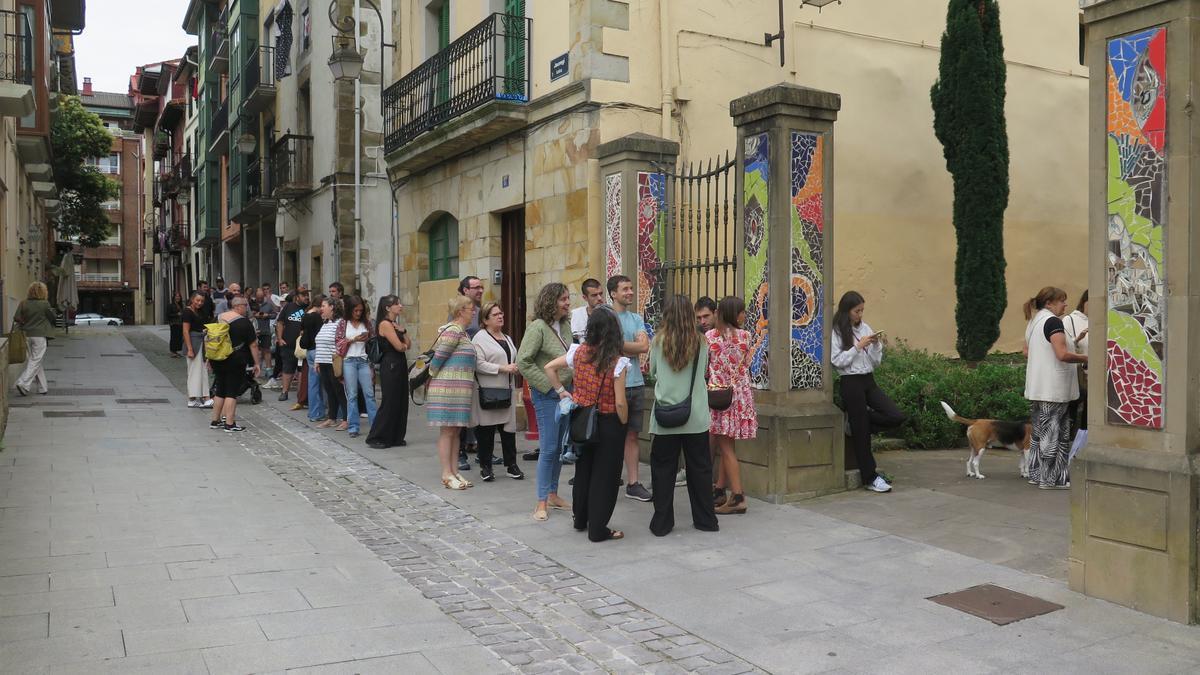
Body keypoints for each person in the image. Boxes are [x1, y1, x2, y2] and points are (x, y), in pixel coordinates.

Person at [545, 307, 630, 542]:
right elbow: (620, 402)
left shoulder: (578, 352)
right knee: (606, 476)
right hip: (608, 421)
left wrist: (562, 391)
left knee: (584, 471)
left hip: (582, 419)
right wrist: (624, 422)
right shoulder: (617, 362)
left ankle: (580, 519)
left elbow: (549, 367)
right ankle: (598, 528)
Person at [648, 295, 719, 536]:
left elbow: (653, 373)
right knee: (700, 469)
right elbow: (705, 371)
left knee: (662, 471)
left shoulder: (658, 342)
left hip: (665, 415)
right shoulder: (701, 341)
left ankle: (662, 523)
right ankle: (706, 520)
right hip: (695, 415)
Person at [831, 291, 907, 494]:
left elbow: (875, 362)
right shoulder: (837, 331)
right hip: (850, 381)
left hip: (868, 380)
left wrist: (876, 346)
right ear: (847, 311)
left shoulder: (865, 328)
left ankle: (856, 423)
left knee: (896, 416)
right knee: (862, 435)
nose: (860, 314)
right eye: (857, 311)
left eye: (862, 310)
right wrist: (857, 347)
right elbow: (836, 361)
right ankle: (870, 478)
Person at [517, 283, 574, 520]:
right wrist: (551, 386)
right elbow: (523, 361)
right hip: (548, 395)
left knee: (560, 448)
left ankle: (552, 494)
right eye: (563, 299)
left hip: (566, 395)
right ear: (551, 302)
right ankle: (541, 502)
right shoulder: (537, 328)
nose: (567, 303)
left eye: (568, 298)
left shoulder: (566, 325)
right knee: (549, 448)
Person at [1023, 287, 1087, 490]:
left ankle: (1036, 475)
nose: (1065, 304)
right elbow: (1061, 354)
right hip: (1054, 389)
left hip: (1038, 387)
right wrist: (1087, 357)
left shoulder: (1034, 321)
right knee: (1055, 434)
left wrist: (1072, 343)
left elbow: (1027, 352)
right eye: (1062, 300)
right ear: (1049, 303)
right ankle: (1050, 479)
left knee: (1039, 433)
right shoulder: (1053, 322)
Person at [707, 296, 756, 513]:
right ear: (733, 314)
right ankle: (720, 489)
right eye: (741, 311)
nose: (744, 315)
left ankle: (737, 496)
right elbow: (747, 364)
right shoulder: (746, 336)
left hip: (720, 396)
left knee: (725, 446)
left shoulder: (710, 337)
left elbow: (707, 366)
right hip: (740, 396)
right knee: (729, 445)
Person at [607, 275, 652, 502]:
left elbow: (644, 346)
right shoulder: (607, 318)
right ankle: (609, 478)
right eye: (625, 289)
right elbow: (610, 347)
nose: (630, 292)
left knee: (633, 435)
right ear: (613, 293)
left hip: (636, 384)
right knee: (612, 435)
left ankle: (633, 483)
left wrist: (624, 347)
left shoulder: (636, 318)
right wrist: (630, 346)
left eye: (631, 288)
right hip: (615, 385)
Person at [428, 295, 478, 490]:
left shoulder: (463, 333)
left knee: (456, 431)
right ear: (460, 311)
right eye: (471, 309)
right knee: (448, 431)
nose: (474, 312)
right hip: (447, 389)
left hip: (459, 390)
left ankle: (454, 471)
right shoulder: (453, 331)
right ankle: (446, 474)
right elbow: (438, 359)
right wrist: (433, 377)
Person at [471, 302, 523, 481]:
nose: (500, 316)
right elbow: (477, 364)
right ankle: (486, 467)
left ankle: (512, 465)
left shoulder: (506, 337)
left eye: (501, 313)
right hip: (488, 390)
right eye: (495, 315)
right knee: (486, 431)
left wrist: (515, 367)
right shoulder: (479, 339)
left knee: (508, 430)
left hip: (506, 389)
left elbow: (512, 358)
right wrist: (503, 368)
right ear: (485, 320)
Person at [208, 296, 261, 432]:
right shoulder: (244, 322)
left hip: (217, 358)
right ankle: (229, 423)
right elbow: (253, 345)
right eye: (245, 305)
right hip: (235, 359)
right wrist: (257, 363)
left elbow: (209, 339)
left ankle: (215, 420)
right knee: (232, 391)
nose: (247, 308)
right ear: (238, 306)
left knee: (220, 389)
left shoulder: (218, 318)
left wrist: (208, 359)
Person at [367, 295, 411, 449]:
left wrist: (403, 331)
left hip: (399, 363)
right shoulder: (385, 324)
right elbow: (400, 346)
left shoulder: (395, 324)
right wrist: (404, 345)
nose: (401, 306)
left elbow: (408, 344)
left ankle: (396, 436)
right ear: (387, 308)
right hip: (391, 364)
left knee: (401, 400)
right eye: (397, 304)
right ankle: (377, 436)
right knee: (390, 401)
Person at [337, 296, 377, 439]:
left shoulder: (366, 323)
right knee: (352, 395)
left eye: (360, 310)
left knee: (369, 394)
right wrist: (353, 340)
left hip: (364, 360)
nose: (358, 313)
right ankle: (353, 426)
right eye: (356, 310)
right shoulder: (343, 323)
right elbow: (338, 343)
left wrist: (368, 338)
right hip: (349, 361)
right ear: (350, 310)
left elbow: (374, 342)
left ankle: (375, 426)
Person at [12, 281, 57, 396]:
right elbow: (53, 317)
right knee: (35, 360)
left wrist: (25, 321)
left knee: (34, 360)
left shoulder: (23, 303)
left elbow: (16, 317)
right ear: (43, 292)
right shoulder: (45, 304)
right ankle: (23, 382)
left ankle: (43, 387)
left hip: (25, 335)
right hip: (40, 336)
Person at [313, 297, 348, 431]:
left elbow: (341, 343)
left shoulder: (340, 323)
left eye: (324, 306)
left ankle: (346, 419)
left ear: (332, 307)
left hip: (333, 362)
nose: (321, 309)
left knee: (339, 390)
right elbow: (319, 344)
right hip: (323, 362)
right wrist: (317, 361)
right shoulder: (326, 323)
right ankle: (332, 418)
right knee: (329, 390)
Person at [274, 288, 308, 403]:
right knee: (287, 368)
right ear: (297, 296)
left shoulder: (309, 308)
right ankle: (284, 392)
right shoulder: (288, 307)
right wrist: (280, 338)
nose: (306, 297)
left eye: (307, 295)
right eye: (303, 295)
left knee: (302, 370)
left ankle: (300, 395)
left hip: (303, 346)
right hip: (288, 344)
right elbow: (280, 322)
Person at [1063, 289, 1089, 437]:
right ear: (1084, 302)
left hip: (1095, 371)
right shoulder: (1069, 320)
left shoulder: (1100, 319)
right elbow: (1063, 347)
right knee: (1075, 401)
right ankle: (1069, 437)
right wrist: (1078, 338)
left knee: (1090, 407)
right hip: (1078, 371)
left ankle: (1084, 437)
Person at [182, 291, 212, 408]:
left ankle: (202, 397)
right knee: (195, 370)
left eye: (202, 301)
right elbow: (185, 331)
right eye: (197, 300)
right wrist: (190, 349)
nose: (199, 303)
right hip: (193, 342)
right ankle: (195, 397)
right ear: (192, 299)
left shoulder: (199, 311)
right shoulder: (187, 312)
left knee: (202, 370)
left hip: (200, 340)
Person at [301, 294, 326, 422]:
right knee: (320, 383)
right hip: (318, 350)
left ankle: (314, 412)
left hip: (309, 350)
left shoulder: (306, 315)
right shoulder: (316, 317)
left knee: (313, 382)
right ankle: (317, 412)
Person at [570, 278, 606, 342]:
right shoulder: (576, 315)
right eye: (594, 295)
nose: (599, 298)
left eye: (601, 294)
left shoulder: (610, 314)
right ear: (585, 298)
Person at [253, 287, 277, 380]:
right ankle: (256, 369)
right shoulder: (252, 304)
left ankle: (268, 369)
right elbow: (247, 315)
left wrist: (268, 315)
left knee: (267, 350)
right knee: (257, 351)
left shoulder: (268, 304)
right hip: (254, 331)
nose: (260, 299)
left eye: (261, 297)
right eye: (258, 297)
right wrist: (254, 315)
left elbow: (274, 314)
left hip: (265, 330)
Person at [167, 290, 184, 358]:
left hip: (180, 323)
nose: (178, 297)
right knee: (174, 337)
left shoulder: (181, 305)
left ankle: (176, 351)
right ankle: (172, 351)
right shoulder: (171, 305)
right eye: (176, 296)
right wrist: (177, 314)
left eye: (179, 296)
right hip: (174, 323)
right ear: (174, 297)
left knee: (179, 338)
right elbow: (168, 315)